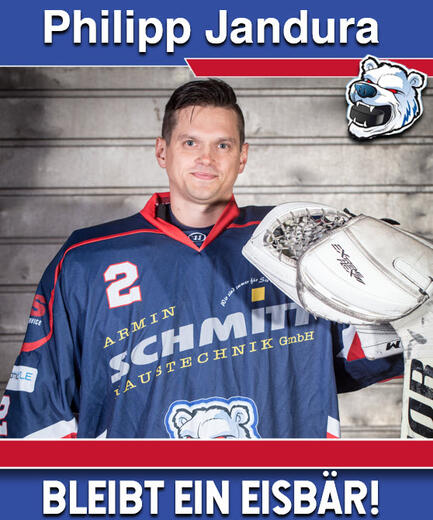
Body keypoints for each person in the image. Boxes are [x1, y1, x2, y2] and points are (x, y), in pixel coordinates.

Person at [1, 79, 403, 438]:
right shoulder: (87, 258)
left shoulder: (305, 245)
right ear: (162, 151)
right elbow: (37, 409)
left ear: (242, 156)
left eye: (222, 145)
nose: (206, 158)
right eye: (190, 142)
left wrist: (401, 306)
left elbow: (360, 355)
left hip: (280, 488)